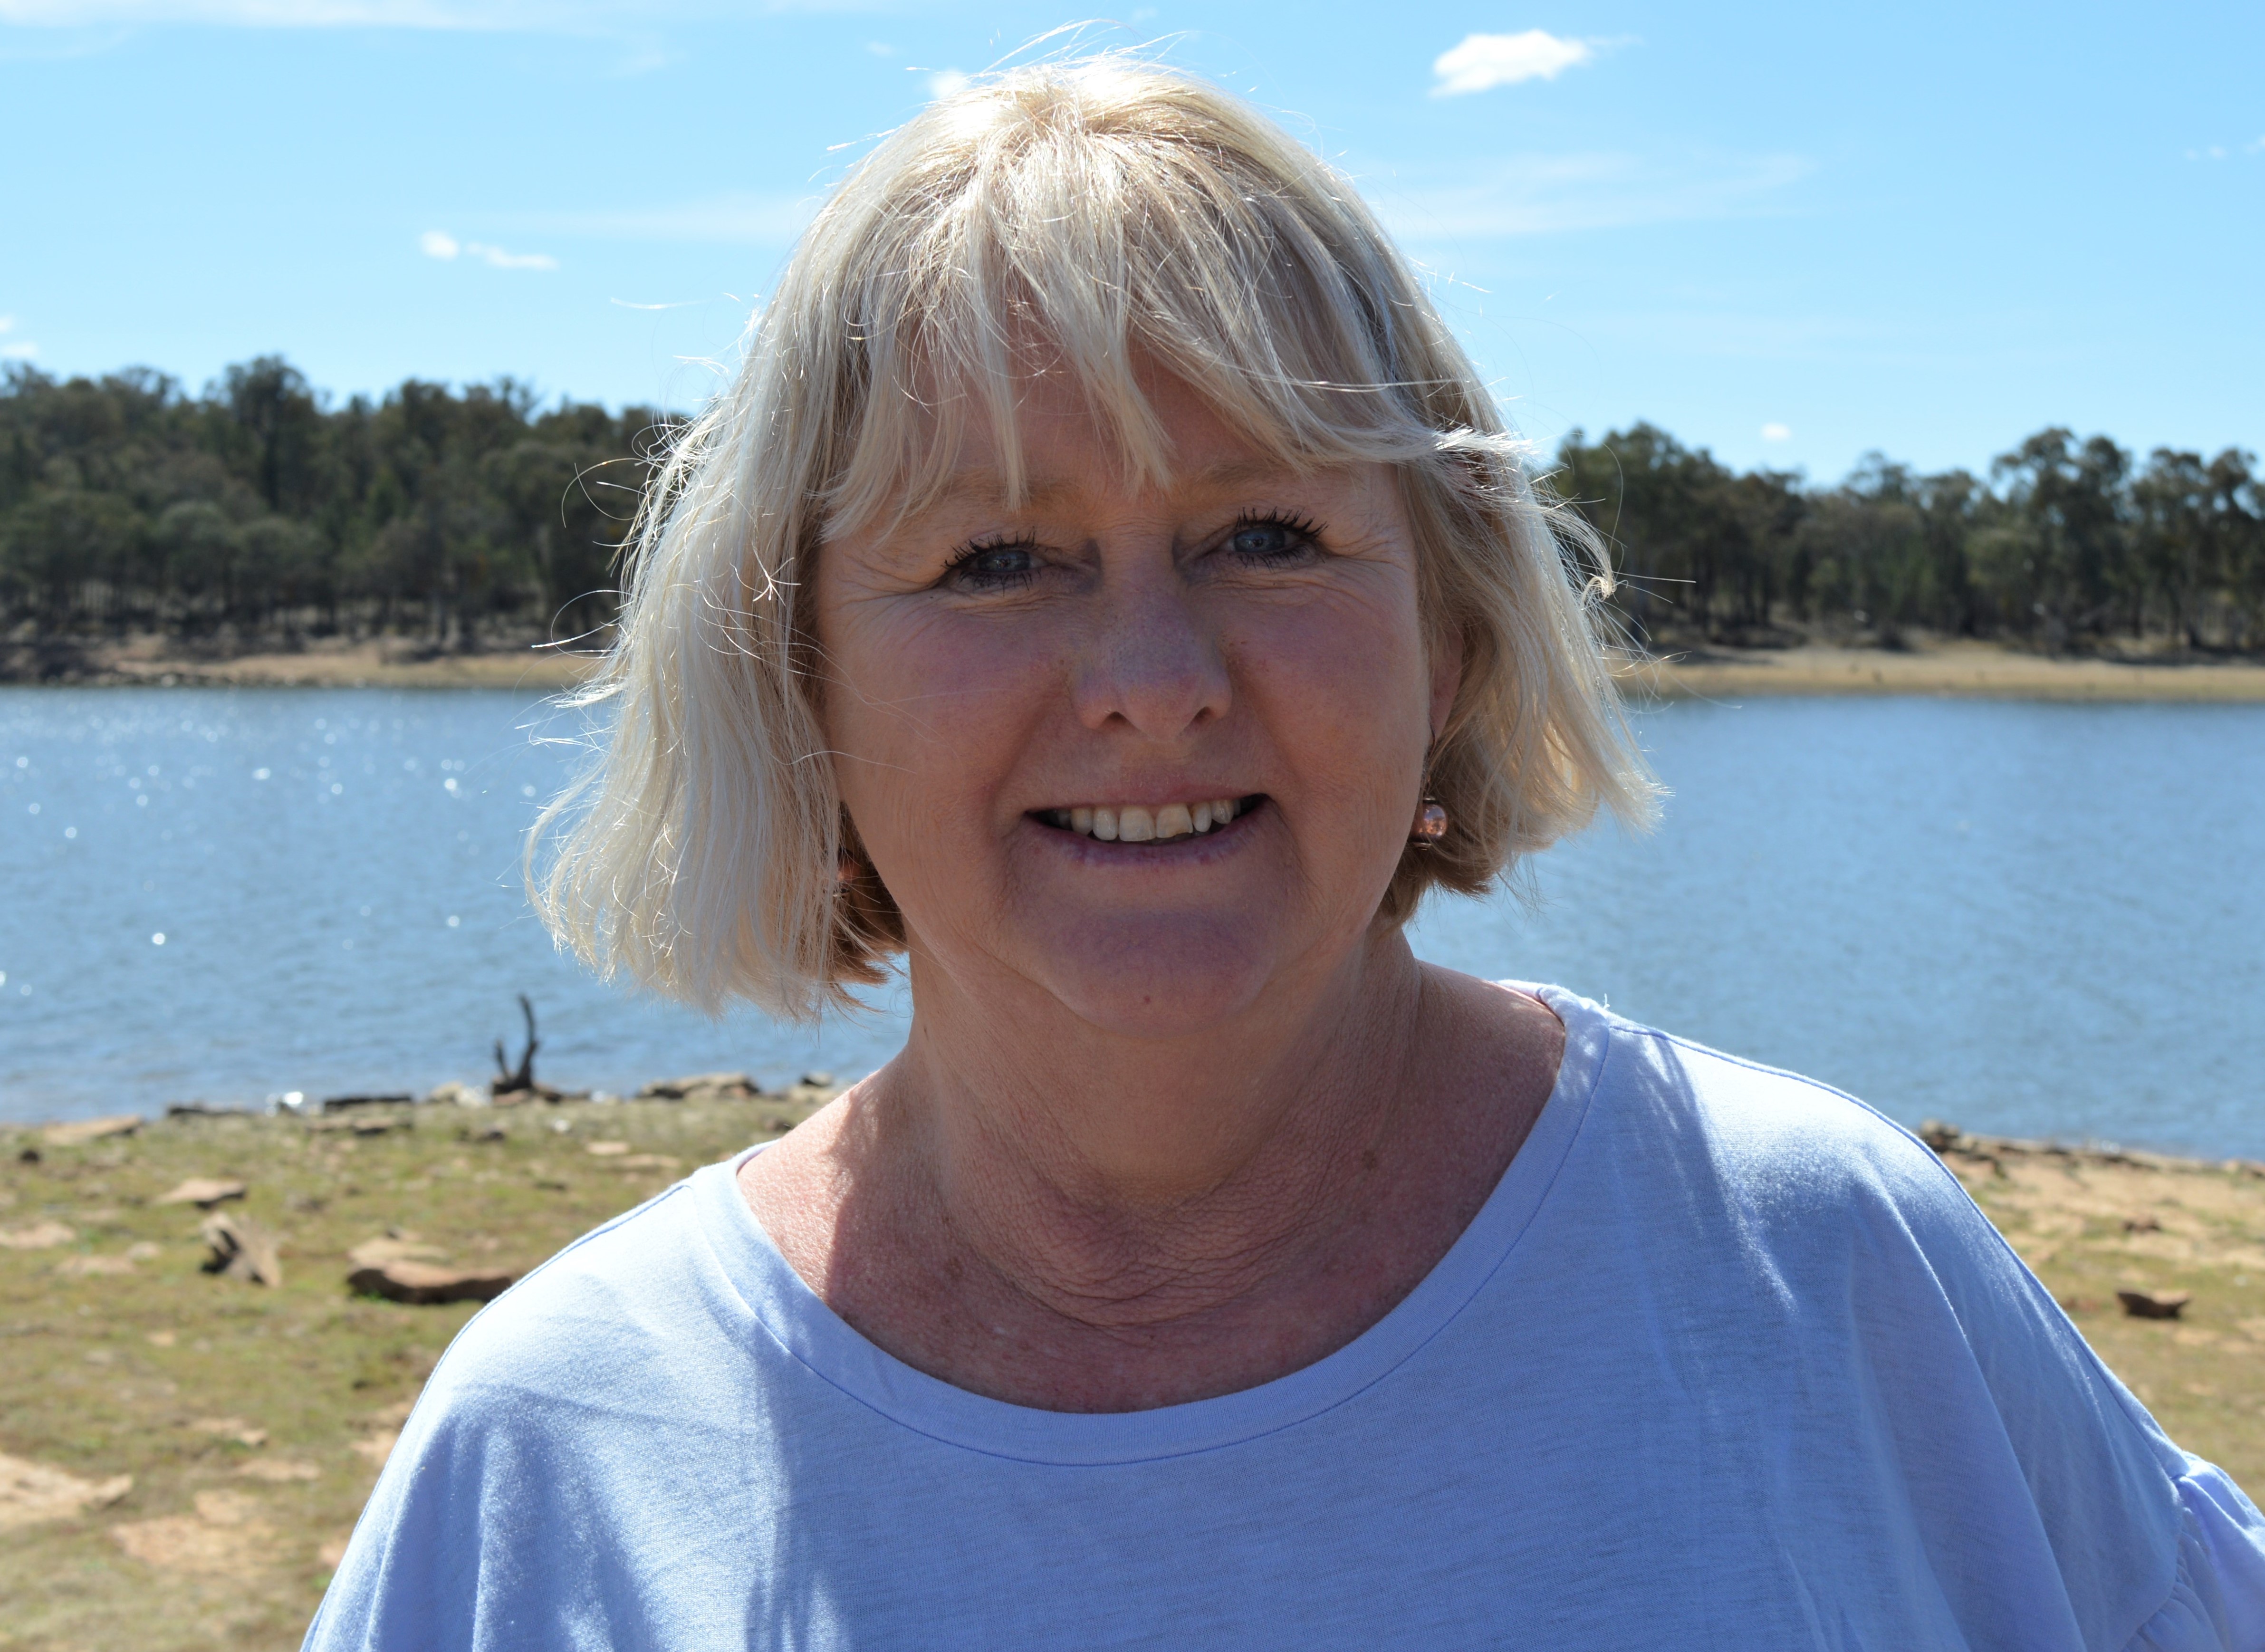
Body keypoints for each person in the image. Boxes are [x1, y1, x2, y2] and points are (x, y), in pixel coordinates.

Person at [305, 57, 2265, 1651]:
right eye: (996, 558)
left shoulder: (1826, 1269)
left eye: (1267, 536)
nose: (1154, 683)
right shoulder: (559, 1445)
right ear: (792, 674)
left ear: (1450, 634)